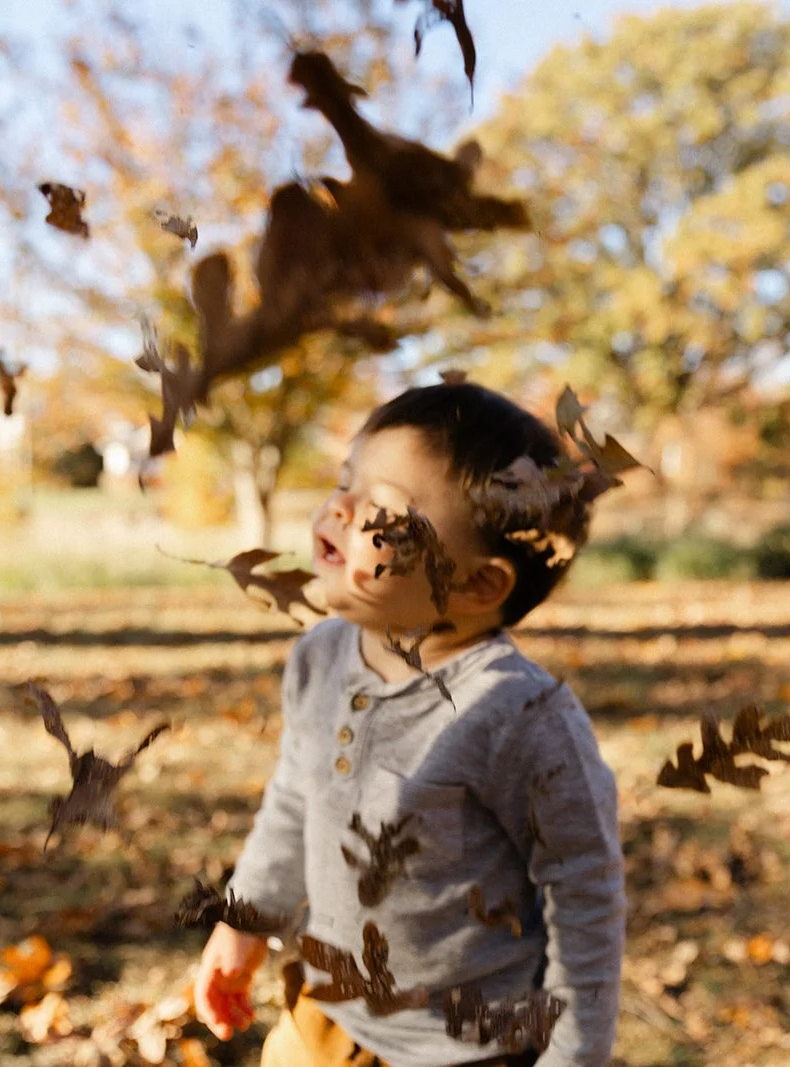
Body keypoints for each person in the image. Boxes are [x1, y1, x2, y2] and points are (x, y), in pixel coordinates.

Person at [192, 381, 626, 1067]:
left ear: (480, 585)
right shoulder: (322, 654)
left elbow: (584, 892)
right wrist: (247, 917)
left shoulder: (519, 716)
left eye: (383, 508)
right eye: (345, 480)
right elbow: (295, 797)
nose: (339, 507)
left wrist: (573, 1054)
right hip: (324, 1013)